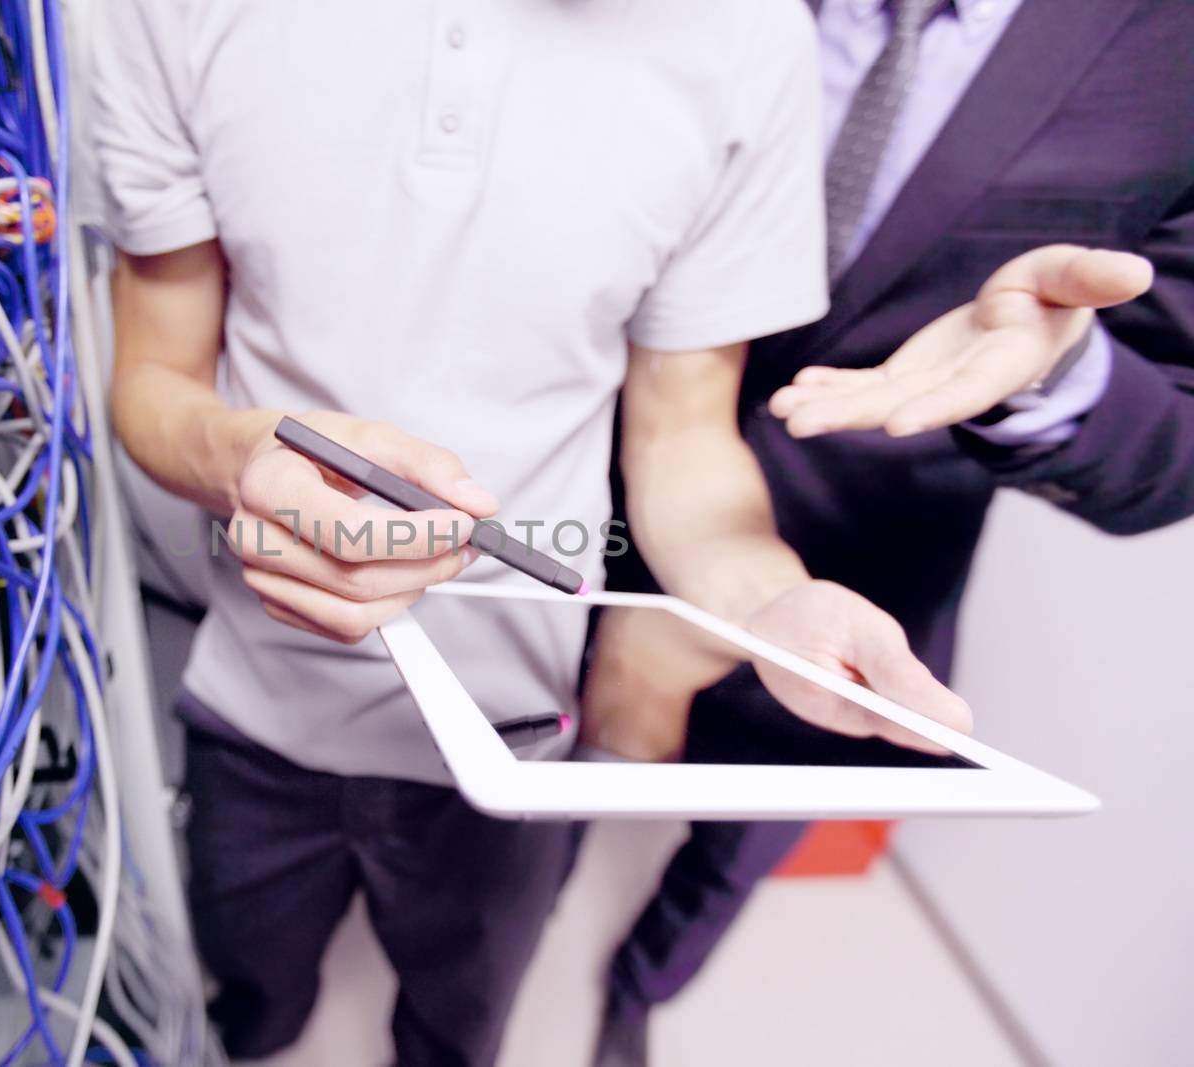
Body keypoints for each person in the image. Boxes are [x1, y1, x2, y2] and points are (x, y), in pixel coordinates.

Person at [90, 1, 979, 1063]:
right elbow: (151, 374)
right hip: (250, 697)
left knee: (460, 1021)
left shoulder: (750, 36)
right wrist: (238, 455)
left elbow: (681, 440)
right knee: (252, 1000)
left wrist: (761, 601)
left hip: (514, 728)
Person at [585, 1, 1194, 1063]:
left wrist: (1051, 371)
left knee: (739, 843)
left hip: (875, 557)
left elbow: (1170, 451)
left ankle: (638, 987)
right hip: (602, 487)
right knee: (554, 771)